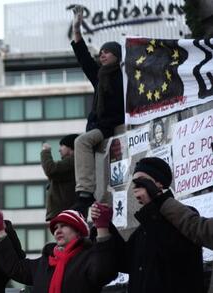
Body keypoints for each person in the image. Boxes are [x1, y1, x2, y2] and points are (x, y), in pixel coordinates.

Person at [101, 157, 204, 293]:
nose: (136, 187)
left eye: (141, 181)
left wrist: (153, 203)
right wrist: (105, 226)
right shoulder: (143, 228)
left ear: (159, 183)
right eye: (135, 183)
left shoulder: (184, 215)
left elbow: (175, 254)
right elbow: (127, 262)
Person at [70, 5, 125, 217]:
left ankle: (84, 194)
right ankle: (90, 198)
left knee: (81, 141)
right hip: (98, 127)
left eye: (107, 51)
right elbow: (83, 57)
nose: (102, 54)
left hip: (111, 126)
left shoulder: (124, 77)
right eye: (100, 52)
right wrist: (77, 29)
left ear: (118, 55)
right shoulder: (100, 77)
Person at [0, 207, 118, 293]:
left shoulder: (88, 258)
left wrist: (102, 228)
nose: (58, 230)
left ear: (79, 231)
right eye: (55, 228)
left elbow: (104, 271)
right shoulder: (45, 262)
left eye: (64, 226)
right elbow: (14, 268)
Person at [41, 134, 79, 221]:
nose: (59, 149)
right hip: (65, 212)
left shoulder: (72, 161)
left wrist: (45, 151)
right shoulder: (71, 162)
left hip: (65, 213)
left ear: (71, 147)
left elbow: (50, 169)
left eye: (62, 146)